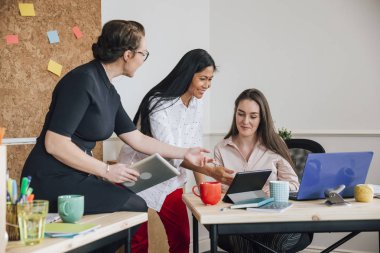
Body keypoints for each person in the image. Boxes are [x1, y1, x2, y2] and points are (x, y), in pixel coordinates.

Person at [20, 20, 212, 252]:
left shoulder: (109, 91)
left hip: (77, 175)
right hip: (50, 176)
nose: (143, 59)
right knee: (134, 205)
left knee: (132, 208)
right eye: (144, 53)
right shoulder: (82, 81)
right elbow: (55, 143)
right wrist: (107, 170)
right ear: (128, 54)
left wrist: (185, 152)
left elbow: (136, 138)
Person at [118, 49, 234, 253]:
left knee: (182, 238)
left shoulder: (197, 104)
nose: (207, 85)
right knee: (138, 243)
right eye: (203, 78)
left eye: (210, 79)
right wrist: (212, 172)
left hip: (170, 180)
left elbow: (194, 151)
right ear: (188, 74)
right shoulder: (158, 102)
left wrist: (204, 191)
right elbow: (170, 152)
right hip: (137, 178)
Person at [214, 88, 312, 253]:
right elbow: (216, 190)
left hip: (274, 221)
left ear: (262, 118)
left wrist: (274, 189)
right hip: (237, 221)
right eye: (241, 114)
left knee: (271, 245)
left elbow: (294, 185)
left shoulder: (274, 144)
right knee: (245, 242)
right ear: (235, 113)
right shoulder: (221, 148)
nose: (245, 121)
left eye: (253, 116)